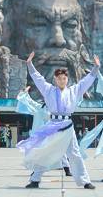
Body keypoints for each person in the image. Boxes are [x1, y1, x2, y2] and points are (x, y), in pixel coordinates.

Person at [18, 51, 100, 189]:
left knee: (74, 154)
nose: (62, 80)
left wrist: (96, 68)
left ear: (67, 79)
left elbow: (86, 81)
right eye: (59, 78)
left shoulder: (75, 90)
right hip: (53, 125)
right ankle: (35, 180)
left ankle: (85, 181)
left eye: (64, 78)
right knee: (44, 150)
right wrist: (29, 64)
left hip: (67, 125)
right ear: (55, 79)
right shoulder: (48, 90)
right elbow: (38, 79)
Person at [16, 87, 72, 176]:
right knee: (37, 152)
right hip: (40, 135)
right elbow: (29, 101)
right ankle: (36, 171)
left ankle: (67, 169)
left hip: (51, 133)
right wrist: (25, 93)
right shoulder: (39, 107)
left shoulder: (55, 110)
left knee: (60, 150)